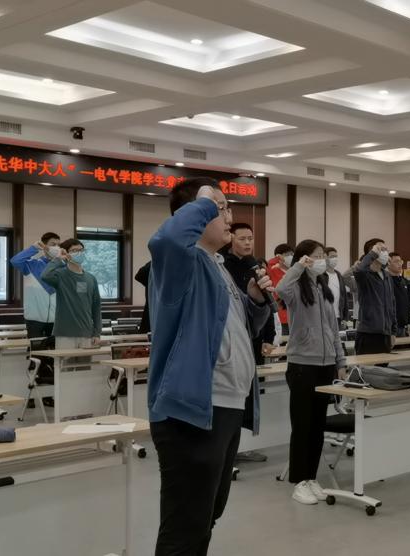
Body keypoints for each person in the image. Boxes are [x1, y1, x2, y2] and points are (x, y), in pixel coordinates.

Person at [146, 178, 272, 555]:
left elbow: (234, 327)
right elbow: (166, 239)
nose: (229, 217)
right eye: (221, 208)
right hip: (194, 409)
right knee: (185, 524)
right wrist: (204, 201)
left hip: (227, 405)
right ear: (195, 213)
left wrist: (255, 301)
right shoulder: (180, 261)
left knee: (206, 515)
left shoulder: (217, 265)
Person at [275, 240, 345, 506]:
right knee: (302, 425)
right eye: (316, 256)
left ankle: (311, 477)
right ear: (304, 259)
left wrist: (340, 360)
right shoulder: (295, 288)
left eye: (323, 255)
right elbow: (280, 289)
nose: (322, 260)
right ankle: (298, 481)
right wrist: (298, 267)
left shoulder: (322, 287)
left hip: (326, 365)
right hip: (302, 365)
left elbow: (333, 328)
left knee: (317, 426)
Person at [219, 222, 273, 464]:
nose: (248, 242)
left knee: (249, 394)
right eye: (242, 238)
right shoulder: (222, 265)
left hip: (254, 335)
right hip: (231, 339)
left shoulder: (255, 266)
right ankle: (229, 449)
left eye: (250, 238)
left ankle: (241, 446)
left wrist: (269, 337)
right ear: (231, 238)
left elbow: (266, 303)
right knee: (233, 392)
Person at [40, 239, 102, 351]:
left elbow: (96, 307)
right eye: (74, 250)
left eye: (81, 250)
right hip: (65, 334)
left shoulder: (91, 278)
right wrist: (58, 259)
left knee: (84, 363)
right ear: (66, 253)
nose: (79, 253)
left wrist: (97, 333)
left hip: (86, 333)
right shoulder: (60, 275)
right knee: (64, 363)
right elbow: (45, 276)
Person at [9, 232, 61, 339]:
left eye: (58, 245)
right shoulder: (32, 264)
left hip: (56, 319)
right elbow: (15, 261)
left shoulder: (61, 267)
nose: (56, 247)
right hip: (34, 320)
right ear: (45, 246)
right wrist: (34, 248)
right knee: (35, 348)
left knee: (54, 349)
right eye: (53, 244)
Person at [352, 239, 397, 355]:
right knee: (367, 366)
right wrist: (372, 254)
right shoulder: (365, 275)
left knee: (384, 366)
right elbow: (359, 270)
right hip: (368, 333)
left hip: (385, 334)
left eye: (386, 249)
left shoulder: (386, 275)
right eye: (381, 249)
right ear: (372, 252)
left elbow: (392, 305)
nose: (385, 252)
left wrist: (393, 332)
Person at [267, 243, 294, 335]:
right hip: (281, 316)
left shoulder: (295, 271)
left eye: (292, 254)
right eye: (287, 254)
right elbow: (267, 264)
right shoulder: (272, 270)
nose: (290, 256)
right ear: (279, 257)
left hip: (296, 315)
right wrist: (277, 259)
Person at [387, 252, 410, 336]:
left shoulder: (403, 281)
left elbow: (407, 304)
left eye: (400, 261)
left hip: (403, 325)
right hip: (390, 326)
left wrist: (409, 322)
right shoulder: (386, 281)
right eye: (396, 261)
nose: (399, 264)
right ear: (388, 264)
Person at [324, 246, 350, 326]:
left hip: (338, 316)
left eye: (336, 256)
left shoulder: (339, 275)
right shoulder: (321, 275)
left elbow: (344, 296)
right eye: (332, 256)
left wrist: (345, 317)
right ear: (325, 258)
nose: (335, 259)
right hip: (325, 316)